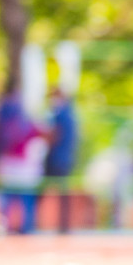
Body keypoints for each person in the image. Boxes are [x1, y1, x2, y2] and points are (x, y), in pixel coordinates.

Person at [0, 88, 46, 234]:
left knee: (10, 198)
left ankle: (9, 225)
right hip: (21, 167)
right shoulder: (24, 122)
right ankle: (24, 226)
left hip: (14, 166)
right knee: (19, 198)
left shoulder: (5, 119)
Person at [43, 87, 79, 234]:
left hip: (57, 158)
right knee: (63, 193)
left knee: (42, 190)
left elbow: (53, 135)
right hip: (65, 158)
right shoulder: (71, 114)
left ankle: (30, 223)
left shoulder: (59, 114)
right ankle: (63, 227)